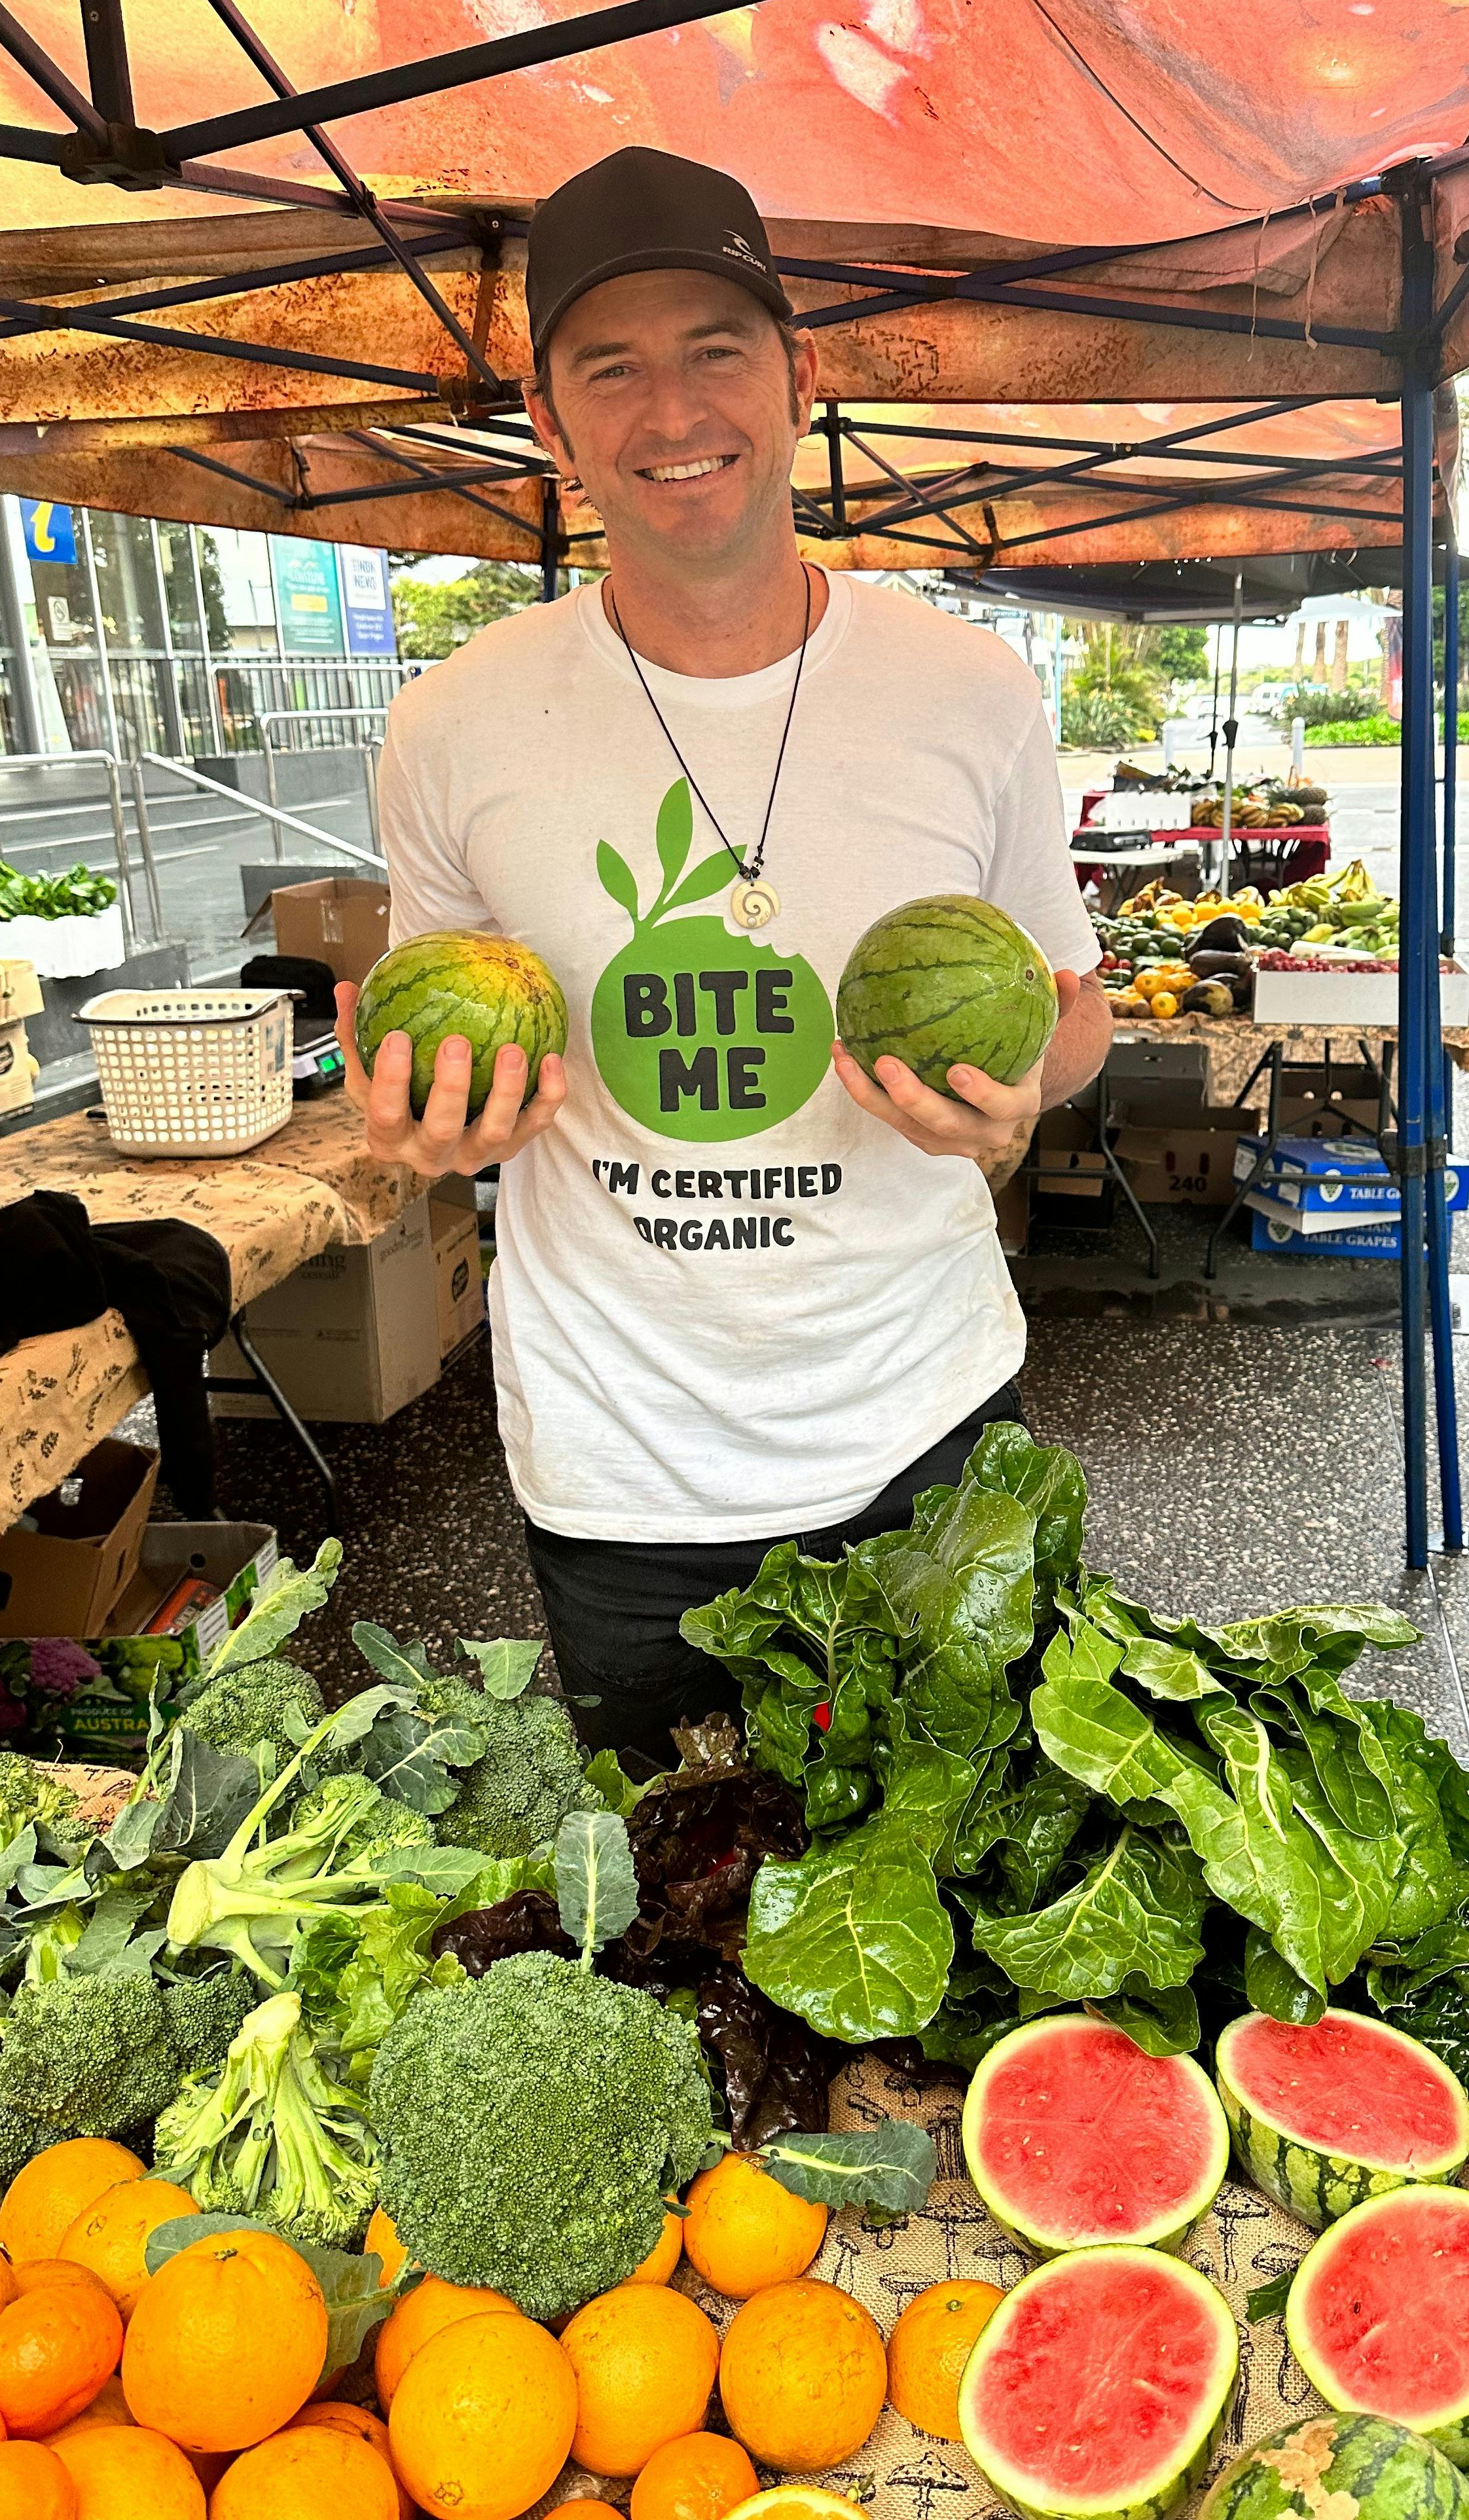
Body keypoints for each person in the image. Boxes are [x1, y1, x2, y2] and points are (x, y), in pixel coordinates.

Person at [334, 147, 1112, 1752]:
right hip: (622, 1464)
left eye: (717, 350)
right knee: (680, 1923)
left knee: (966, 1904)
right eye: (609, 368)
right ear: (549, 425)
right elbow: (447, 1038)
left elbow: (1075, 1009)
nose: (671, 412)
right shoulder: (451, 722)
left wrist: (1018, 1094)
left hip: (930, 1428)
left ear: (802, 379)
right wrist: (419, 1132)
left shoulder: (969, 690)